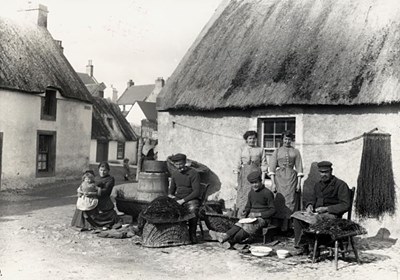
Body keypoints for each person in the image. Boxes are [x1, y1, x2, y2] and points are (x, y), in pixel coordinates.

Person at [293, 161, 351, 255]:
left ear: (331, 171)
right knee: (296, 216)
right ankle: (302, 247)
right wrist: (310, 205)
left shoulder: (340, 185)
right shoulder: (318, 185)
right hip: (318, 214)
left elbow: (345, 205)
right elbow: (312, 198)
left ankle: (315, 248)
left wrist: (327, 209)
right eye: (321, 172)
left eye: (326, 172)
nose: (323, 175)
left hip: (333, 215)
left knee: (314, 219)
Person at [216, 170, 275, 249]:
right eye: (252, 183)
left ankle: (231, 241)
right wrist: (245, 211)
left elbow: (273, 210)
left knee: (247, 227)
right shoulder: (251, 193)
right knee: (239, 223)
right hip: (251, 217)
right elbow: (248, 206)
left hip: (263, 219)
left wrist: (259, 214)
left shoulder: (267, 193)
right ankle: (226, 236)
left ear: (261, 181)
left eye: (256, 182)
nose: (254, 185)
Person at [268, 130, 304, 232]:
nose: (287, 141)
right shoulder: (277, 151)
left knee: (291, 200)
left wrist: (299, 183)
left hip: (292, 178)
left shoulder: (296, 151)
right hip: (280, 178)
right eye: (285, 139)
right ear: (282, 139)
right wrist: (273, 183)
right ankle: (278, 226)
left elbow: (299, 167)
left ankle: (288, 225)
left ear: (291, 140)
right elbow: (272, 168)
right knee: (280, 200)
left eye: (289, 139)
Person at [71, 162, 120, 231]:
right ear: (98, 170)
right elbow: (86, 184)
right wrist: (81, 192)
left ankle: (95, 224)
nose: (102, 172)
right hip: (91, 197)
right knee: (82, 203)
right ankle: (82, 224)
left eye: (104, 170)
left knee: (95, 210)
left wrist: (94, 192)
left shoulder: (110, 179)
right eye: (101, 170)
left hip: (102, 198)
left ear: (108, 170)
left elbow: (106, 191)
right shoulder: (95, 177)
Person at [168, 153, 201, 244]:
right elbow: (171, 191)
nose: (179, 167)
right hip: (178, 199)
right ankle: (175, 234)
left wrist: (183, 201)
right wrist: (171, 197)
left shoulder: (194, 173)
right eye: (177, 165)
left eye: (181, 164)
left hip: (191, 198)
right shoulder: (174, 174)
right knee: (167, 209)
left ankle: (192, 234)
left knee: (193, 209)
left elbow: (196, 192)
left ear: (185, 162)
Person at [234, 130, 268, 217]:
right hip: (244, 176)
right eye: (250, 138)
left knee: (255, 194)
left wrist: (263, 179)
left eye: (254, 138)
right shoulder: (241, 149)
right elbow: (237, 165)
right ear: (246, 139)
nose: (252, 140)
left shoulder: (260, 149)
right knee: (243, 196)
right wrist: (236, 181)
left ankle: (253, 216)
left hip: (256, 175)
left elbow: (264, 165)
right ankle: (241, 217)